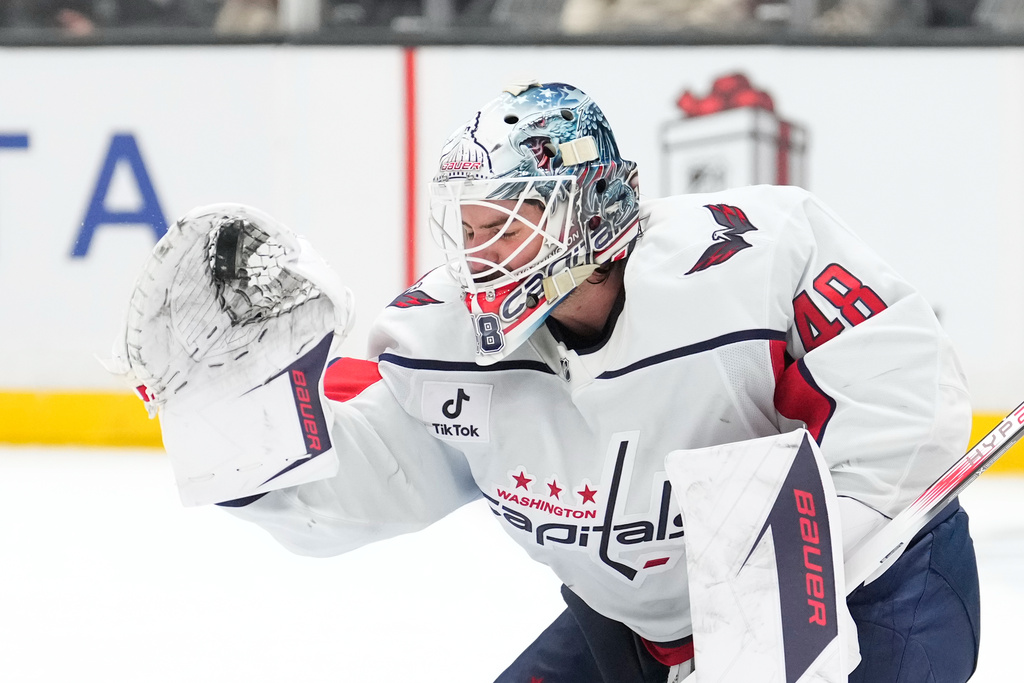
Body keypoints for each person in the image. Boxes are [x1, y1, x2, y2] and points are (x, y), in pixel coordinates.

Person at [117, 81, 980, 682]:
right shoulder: (445, 338)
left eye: (506, 221)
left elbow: (902, 400)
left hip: (878, 596)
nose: (479, 254)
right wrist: (240, 428)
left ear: (588, 205)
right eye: (469, 225)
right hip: (643, 635)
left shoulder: (755, 257)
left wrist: (770, 611)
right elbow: (362, 481)